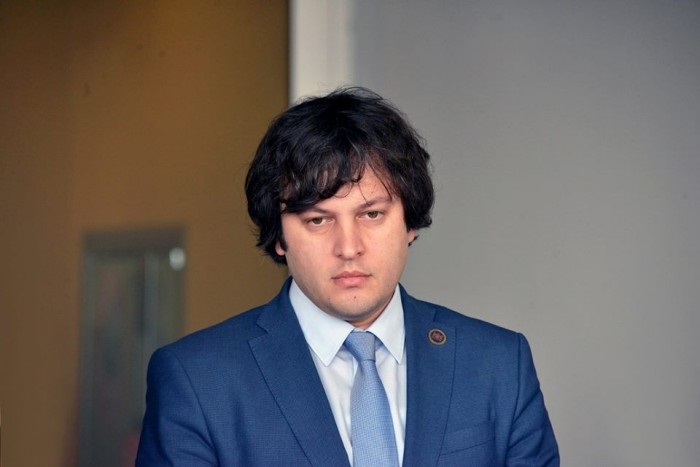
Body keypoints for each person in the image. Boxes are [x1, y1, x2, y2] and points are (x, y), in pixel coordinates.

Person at [136, 87, 559, 466]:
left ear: (409, 223)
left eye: (371, 214)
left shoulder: (498, 364)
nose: (349, 246)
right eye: (318, 220)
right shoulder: (197, 380)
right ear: (279, 236)